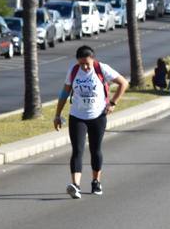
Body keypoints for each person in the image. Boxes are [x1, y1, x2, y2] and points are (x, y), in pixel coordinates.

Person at [53, 46, 128, 198]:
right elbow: (65, 92)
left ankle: (96, 182)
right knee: (77, 150)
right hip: (77, 116)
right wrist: (57, 114)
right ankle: (75, 185)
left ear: (93, 59)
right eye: (82, 64)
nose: (85, 67)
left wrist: (112, 103)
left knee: (96, 150)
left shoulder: (102, 69)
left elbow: (123, 83)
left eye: (87, 63)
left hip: (98, 116)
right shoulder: (73, 71)